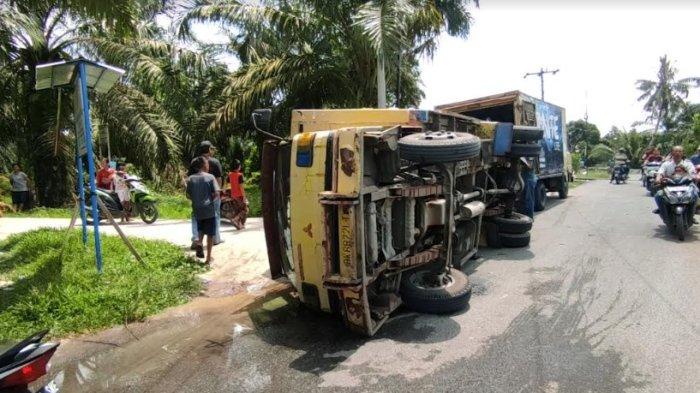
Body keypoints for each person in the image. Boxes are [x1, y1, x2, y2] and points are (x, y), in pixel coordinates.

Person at [186, 156, 219, 265]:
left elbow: (188, 196)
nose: (208, 165)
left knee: (200, 228)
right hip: (208, 209)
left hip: (197, 209)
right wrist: (210, 199)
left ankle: (199, 242)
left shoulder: (190, 179)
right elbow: (216, 193)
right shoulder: (210, 177)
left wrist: (197, 200)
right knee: (210, 234)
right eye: (207, 163)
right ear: (204, 165)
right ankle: (208, 259)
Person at [653, 146, 698, 218]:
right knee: (658, 195)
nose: (678, 153)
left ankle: (691, 214)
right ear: (671, 153)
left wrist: (696, 177)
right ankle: (662, 211)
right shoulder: (666, 164)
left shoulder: (688, 163)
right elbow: (660, 173)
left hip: (686, 185)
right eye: (675, 151)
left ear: (683, 153)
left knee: (695, 193)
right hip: (669, 185)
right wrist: (658, 178)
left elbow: (693, 173)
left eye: (680, 151)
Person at [198, 141, 224, 245]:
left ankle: (196, 240)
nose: (212, 151)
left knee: (198, 216)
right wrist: (218, 192)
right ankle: (215, 239)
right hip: (213, 194)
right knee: (215, 215)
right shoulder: (215, 162)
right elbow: (218, 179)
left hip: (199, 194)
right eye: (212, 149)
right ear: (209, 149)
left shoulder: (196, 161)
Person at [227, 159, 248, 229]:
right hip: (240, 196)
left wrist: (225, 191)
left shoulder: (229, 175)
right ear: (238, 166)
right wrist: (244, 197)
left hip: (233, 195)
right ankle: (235, 219)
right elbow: (241, 187)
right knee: (245, 209)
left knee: (238, 210)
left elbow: (226, 185)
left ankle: (240, 225)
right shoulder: (240, 175)